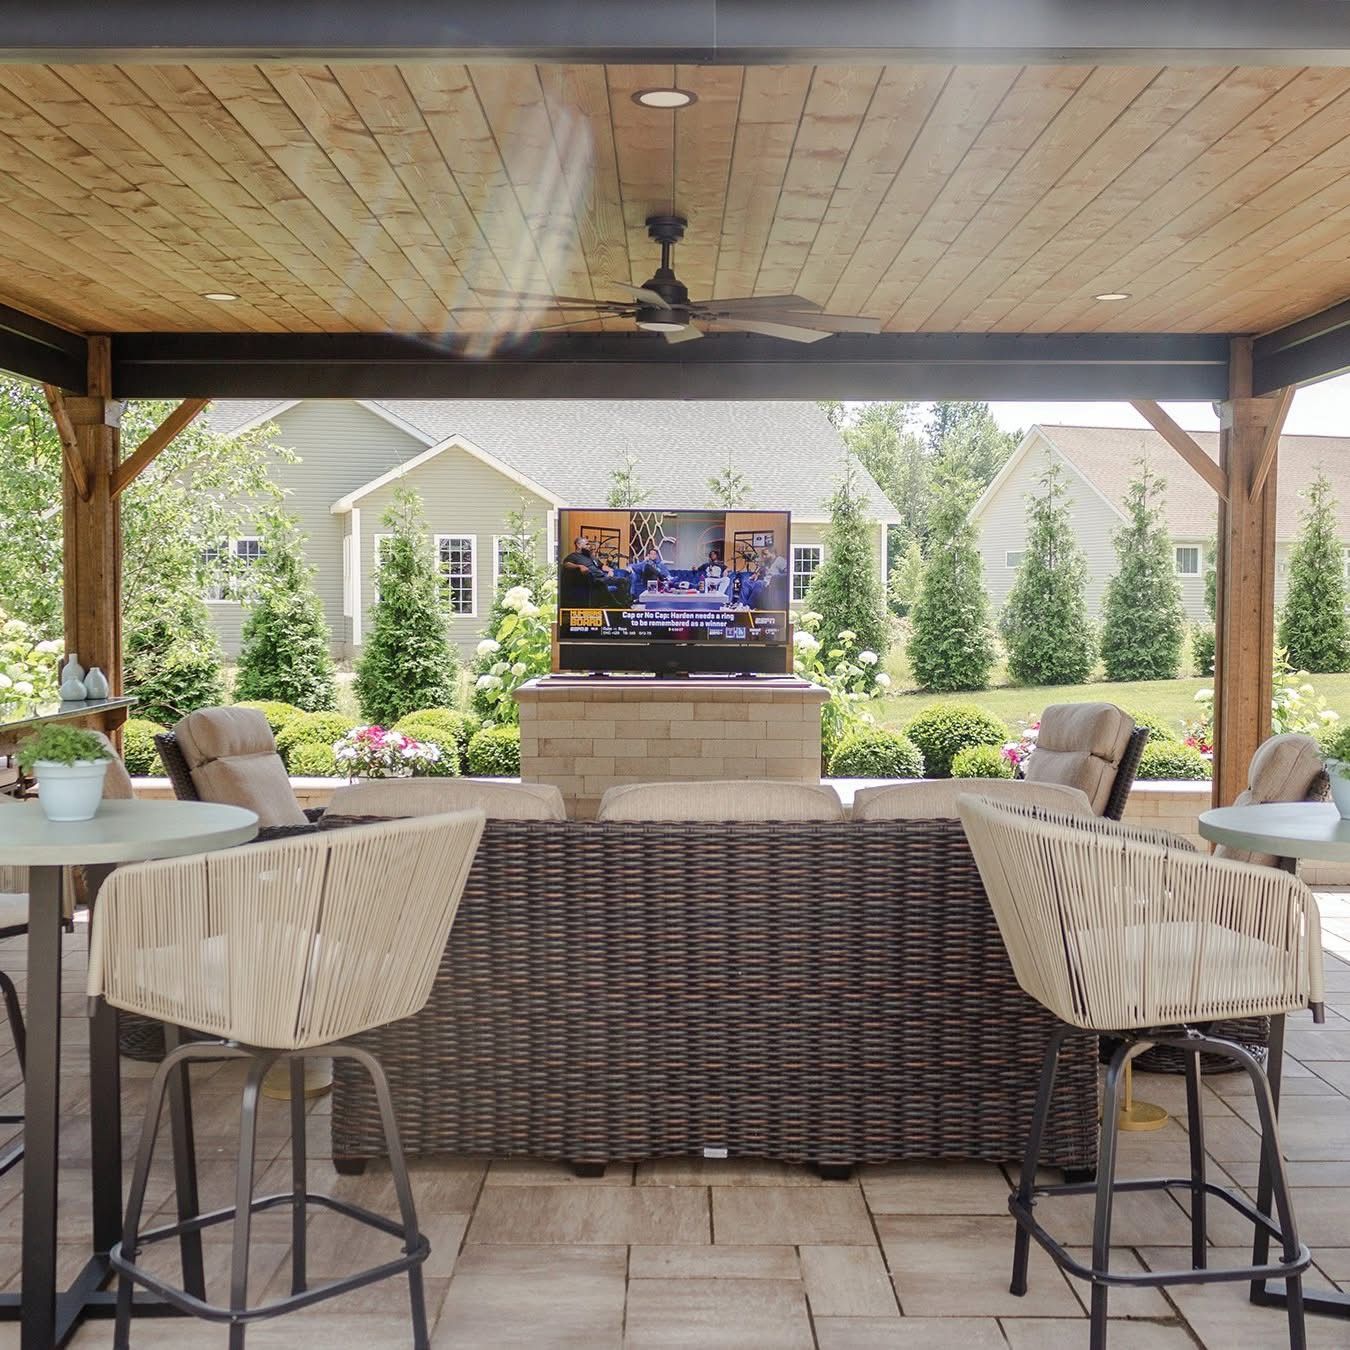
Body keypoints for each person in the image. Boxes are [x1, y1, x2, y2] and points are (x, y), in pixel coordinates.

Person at [561, 535, 627, 607]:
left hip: (603, 576)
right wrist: (579, 566)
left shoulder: (590, 556)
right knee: (607, 583)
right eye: (587, 544)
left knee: (624, 580)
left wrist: (610, 570)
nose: (589, 546)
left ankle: (624, 603)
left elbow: (601, 566)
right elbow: (566, 564)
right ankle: (617, 605)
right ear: (578, 545)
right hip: (594, 579)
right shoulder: (573, 556)